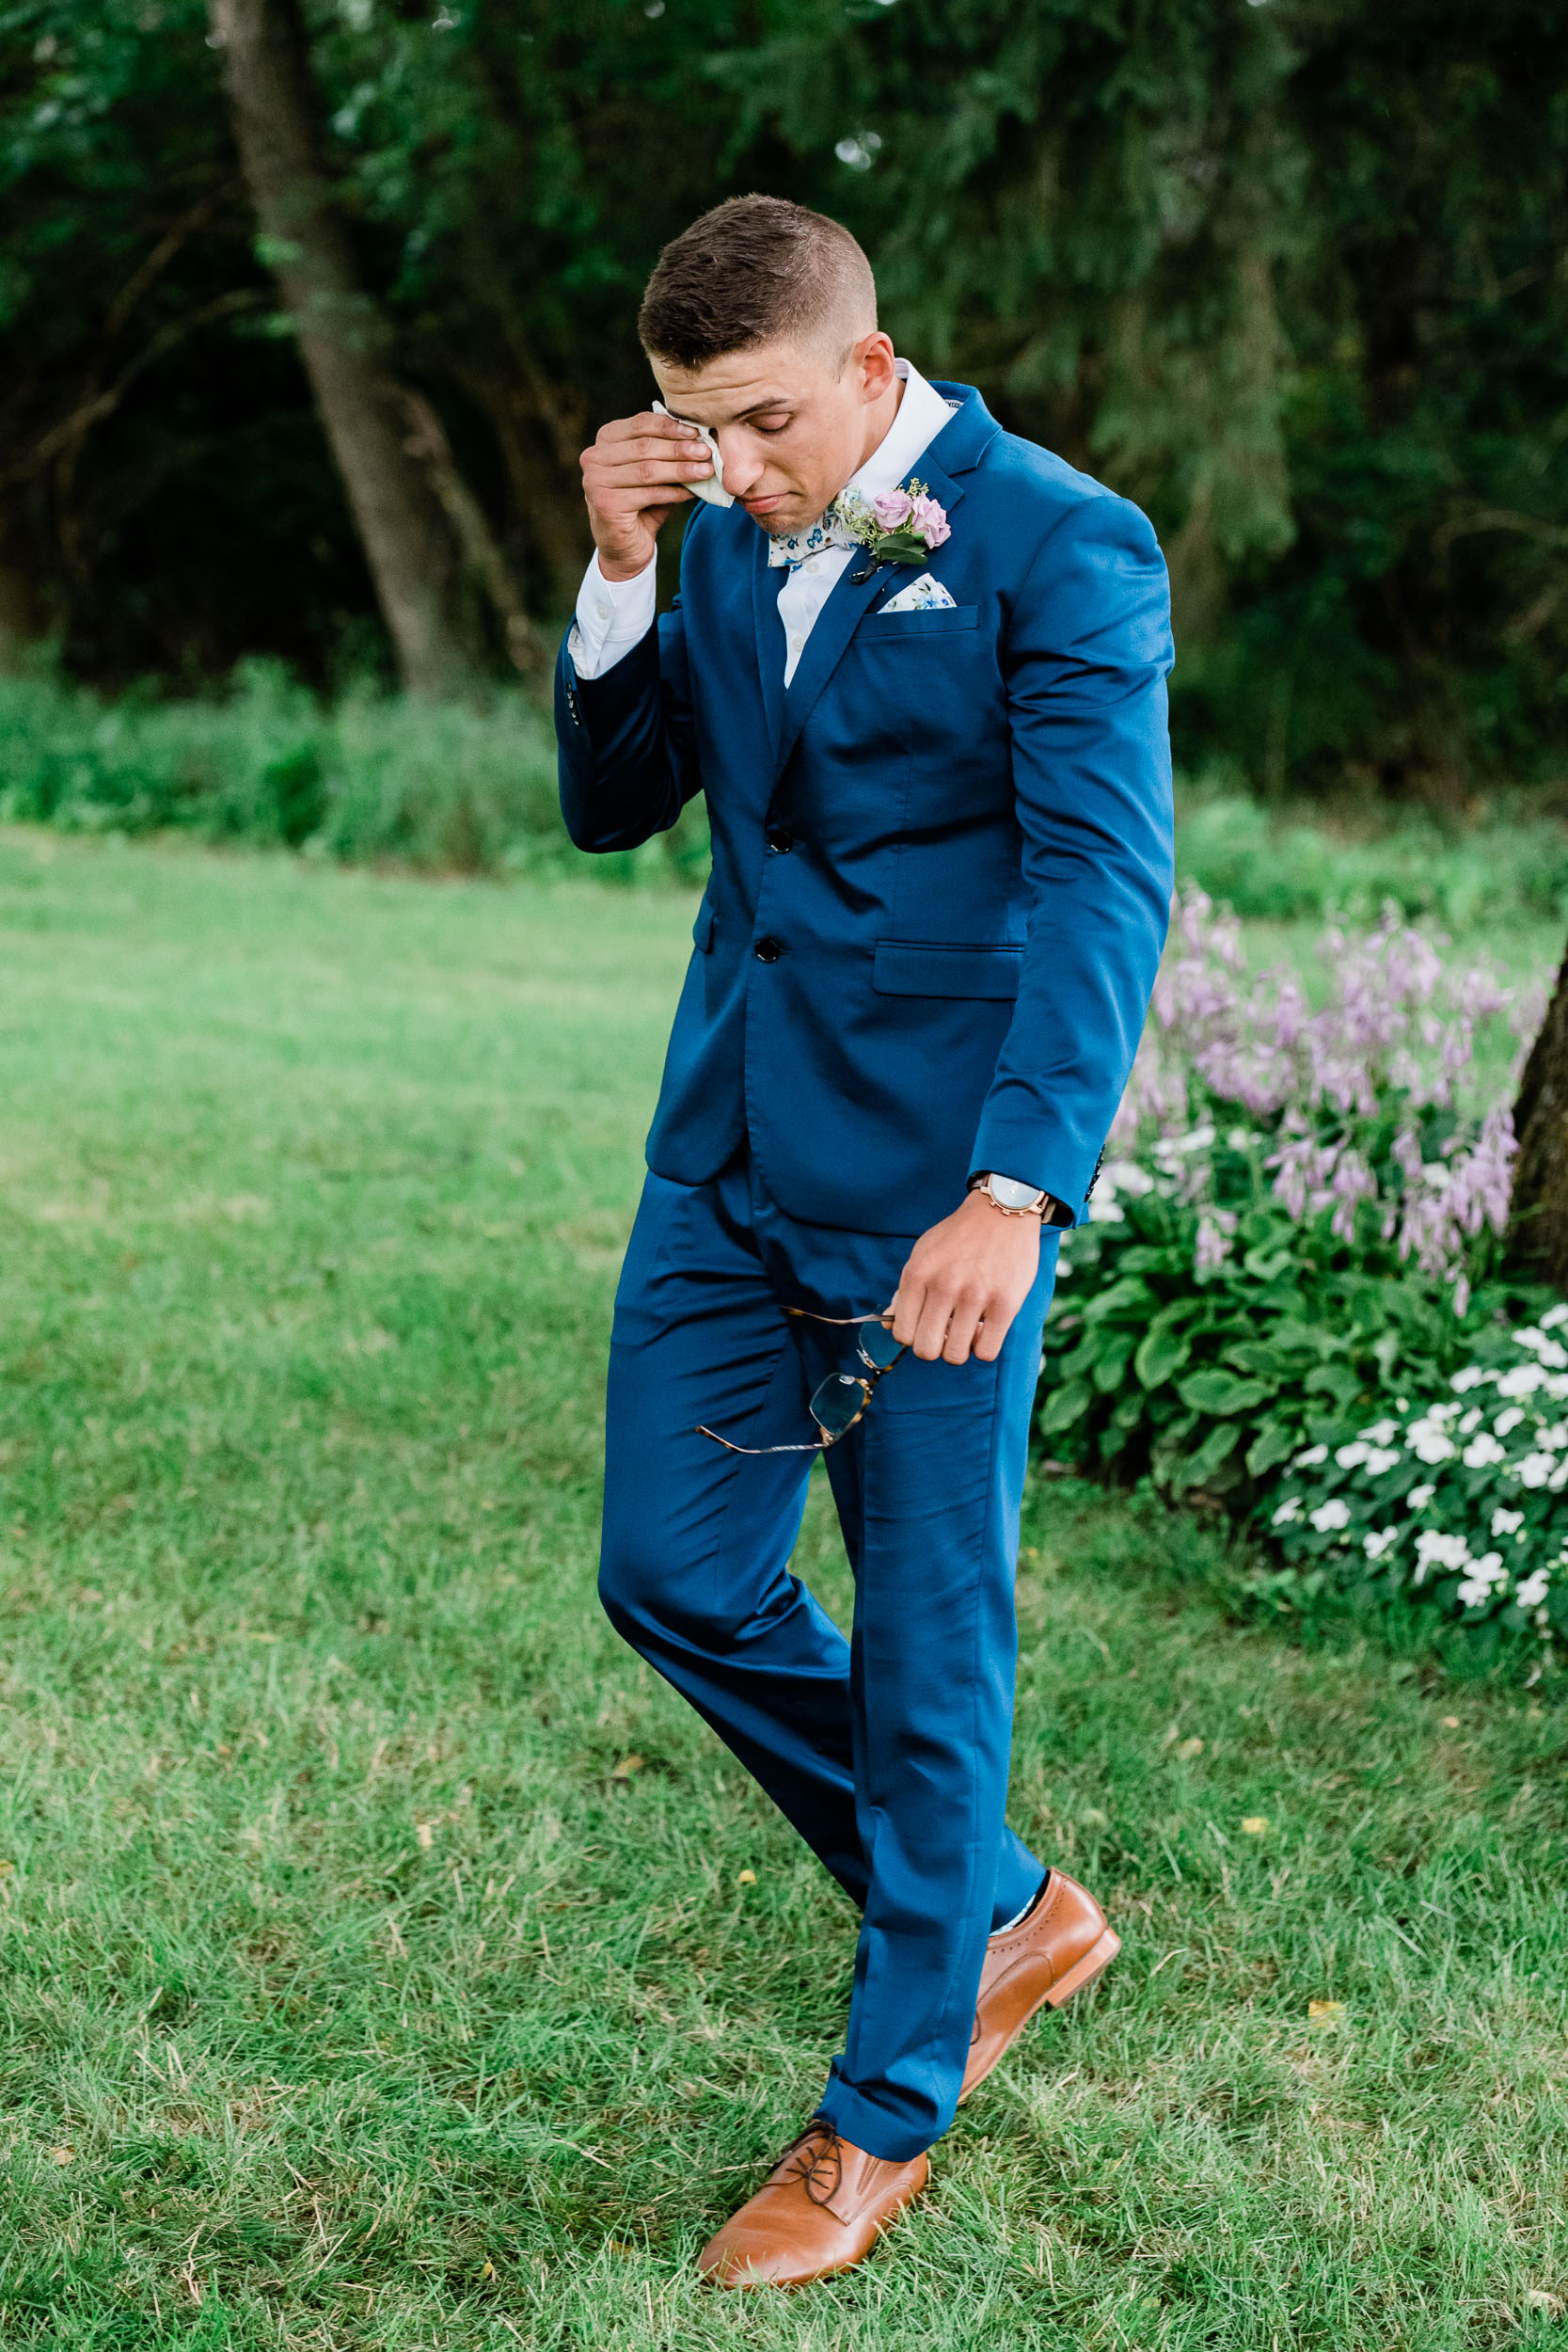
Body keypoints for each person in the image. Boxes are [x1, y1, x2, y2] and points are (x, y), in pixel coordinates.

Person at [555, 194, 1173, 2288]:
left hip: (940, 1193)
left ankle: (890, 2096)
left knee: (928, 1638)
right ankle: (993, 1900)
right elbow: (621, 805)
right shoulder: (713, 531)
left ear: (870, 366)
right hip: (725, 1142)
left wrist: (1019, 1186)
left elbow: (1104, 885)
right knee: (671, 1568)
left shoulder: (1065, 542)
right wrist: (624, 575)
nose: (731, 469)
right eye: (688, 431)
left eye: (754, 424)